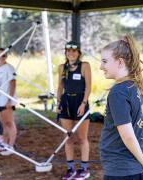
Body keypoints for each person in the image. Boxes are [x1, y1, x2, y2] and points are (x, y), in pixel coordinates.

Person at [99, 34, 143, 180]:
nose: (101, 67)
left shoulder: (118, 92)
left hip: (122, 170)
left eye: (105, 61)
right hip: (140, 167)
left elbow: (127, 136)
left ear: (120, 62)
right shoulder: (137, 88)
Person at [56, 41, 91, 180]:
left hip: (80, 102)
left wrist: (83, 103)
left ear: (78, 53)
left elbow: (88, 87)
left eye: (74, 51)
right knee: (68, 137)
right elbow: (60, 87)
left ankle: (84, 169)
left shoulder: (85, 66)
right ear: (65, 53)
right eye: (68, 51)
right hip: (66, 102)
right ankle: (70, 169)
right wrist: (58, 103)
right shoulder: (61, 67)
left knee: (82, 138)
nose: (71, 53)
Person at [0, 48, 17, 156]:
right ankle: (4, 144)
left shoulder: (9, 68)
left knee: (10, 123)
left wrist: (10, 99)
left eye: (4, 55)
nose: (2, 57)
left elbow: (13, 83)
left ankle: (11, 145)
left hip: (6, 100)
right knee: (4, 124)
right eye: (0, 55)